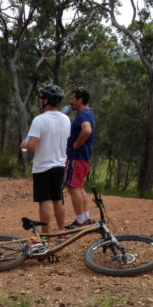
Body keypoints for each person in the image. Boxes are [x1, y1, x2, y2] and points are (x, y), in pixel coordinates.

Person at [20, 84, 71, 239]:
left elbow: (32, 145)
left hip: (43, 166)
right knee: (58, 199)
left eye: (42, 97)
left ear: (46, 100)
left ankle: (46, 235)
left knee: (45, 201)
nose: (40, 100)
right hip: (59, 165)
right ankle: (62, 232)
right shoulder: (66, 119)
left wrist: (24, 144)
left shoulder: (39, 120)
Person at [64, 88, 96, 229]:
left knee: (73, 187)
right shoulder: (88, 113)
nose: (71, 101)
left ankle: (80, 221)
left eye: (73, 99)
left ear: (80, 100)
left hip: (77, 157)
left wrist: (77, 144)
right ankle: (85, 218)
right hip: (83, 157)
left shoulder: (83, 115)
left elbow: (87, 130)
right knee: (79, 187)